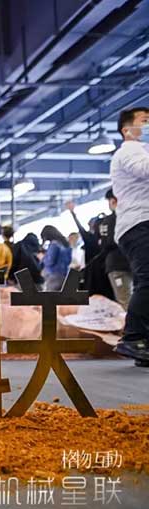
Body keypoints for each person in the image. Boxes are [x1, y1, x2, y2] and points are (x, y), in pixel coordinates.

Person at [109, 106, 149, 364]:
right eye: (145, 121)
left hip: (140, 222)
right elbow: (146, 169)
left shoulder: (141, 150)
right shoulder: (130, 150)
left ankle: (143, 344)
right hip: (139, 223)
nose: (148, 126)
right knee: (148, 279)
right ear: (127, 130)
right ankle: (133, 337)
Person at [96, 189, 133, 308]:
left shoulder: (108, 221)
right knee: (135, 298)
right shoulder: (134, 217)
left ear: (113, 201)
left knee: (124, 301)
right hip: (133, 263)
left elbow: (105, 244)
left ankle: (131, 320)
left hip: (117, 265)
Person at [40, 225, 72, 291]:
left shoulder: (54, 244)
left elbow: (50, 261)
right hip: (64, 275)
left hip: (53, 276)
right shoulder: (65, 244)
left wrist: (42, 258)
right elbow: (69, 260)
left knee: (51, 296)